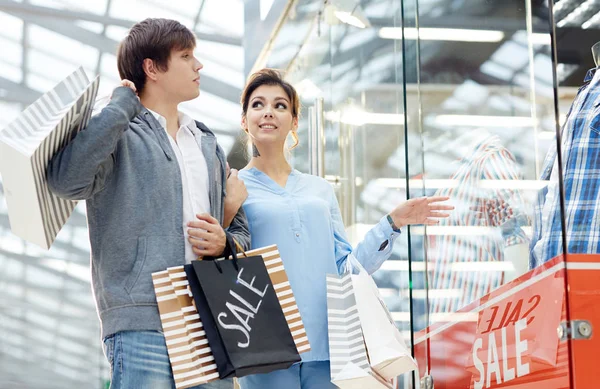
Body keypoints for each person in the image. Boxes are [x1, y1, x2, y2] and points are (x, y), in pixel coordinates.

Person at [47, 18, 249, 389]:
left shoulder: (205, 142)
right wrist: (121, 106)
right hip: (142, 318)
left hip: (209, 316)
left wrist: (226, 241)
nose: (199, 66)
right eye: (186, 56)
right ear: (151, 68)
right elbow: (66, 181)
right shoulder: (116, 131)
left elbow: (241, 231)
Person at [232, 69, 453, 389]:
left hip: (330, 348)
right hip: (266, 346)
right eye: (258, 104)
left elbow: (347, 267)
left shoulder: (319, 190)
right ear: (244, 120)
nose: (269, 111)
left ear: (294, 122)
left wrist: (392, 223)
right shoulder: (234, 187)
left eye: (280, 105)